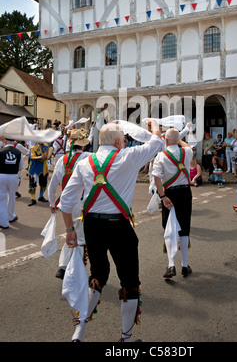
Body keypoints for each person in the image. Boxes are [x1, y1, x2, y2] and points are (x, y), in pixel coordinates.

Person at [59, 121, 163, 343]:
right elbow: (157, 143)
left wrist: (70, 231)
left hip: (92, 226)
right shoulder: (128, 156)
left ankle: (80, 330)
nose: (124, 143)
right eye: (124, 140)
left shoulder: (84, 161)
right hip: (118, 225)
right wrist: (154, 125)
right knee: (130, 281)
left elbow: (66, 202)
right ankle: (125, 339)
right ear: (118, 141)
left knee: (97, 275)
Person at [48, 128, 91, 280]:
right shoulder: (89, 158)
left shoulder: (62, 160)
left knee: (71, 232)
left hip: (66, 205)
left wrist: (52, 202)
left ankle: (64, 266)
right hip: (82, 203)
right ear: (84, 145)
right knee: (80, 237)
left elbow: (53, 184)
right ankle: (70, 269)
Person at [152, 128, 193, 279]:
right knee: (184, 227)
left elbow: (156, 178)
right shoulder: (187, 152)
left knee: (169, 227)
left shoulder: (161, 156)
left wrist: (162, 196)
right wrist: (178, 137)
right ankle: (184, 265)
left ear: (166, 141)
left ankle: (171, 265)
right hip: (185, 193)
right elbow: (187, 146)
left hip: (169, 193)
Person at [0, 138, 24, 229]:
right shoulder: (18, 152)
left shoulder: (1, 151)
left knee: (2, 198)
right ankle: (10, 216)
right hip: (14, 176)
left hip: (2, 175)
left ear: (5, 142)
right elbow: (21, 167)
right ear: (13, 142)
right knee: (12, 196)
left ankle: (3, 222)